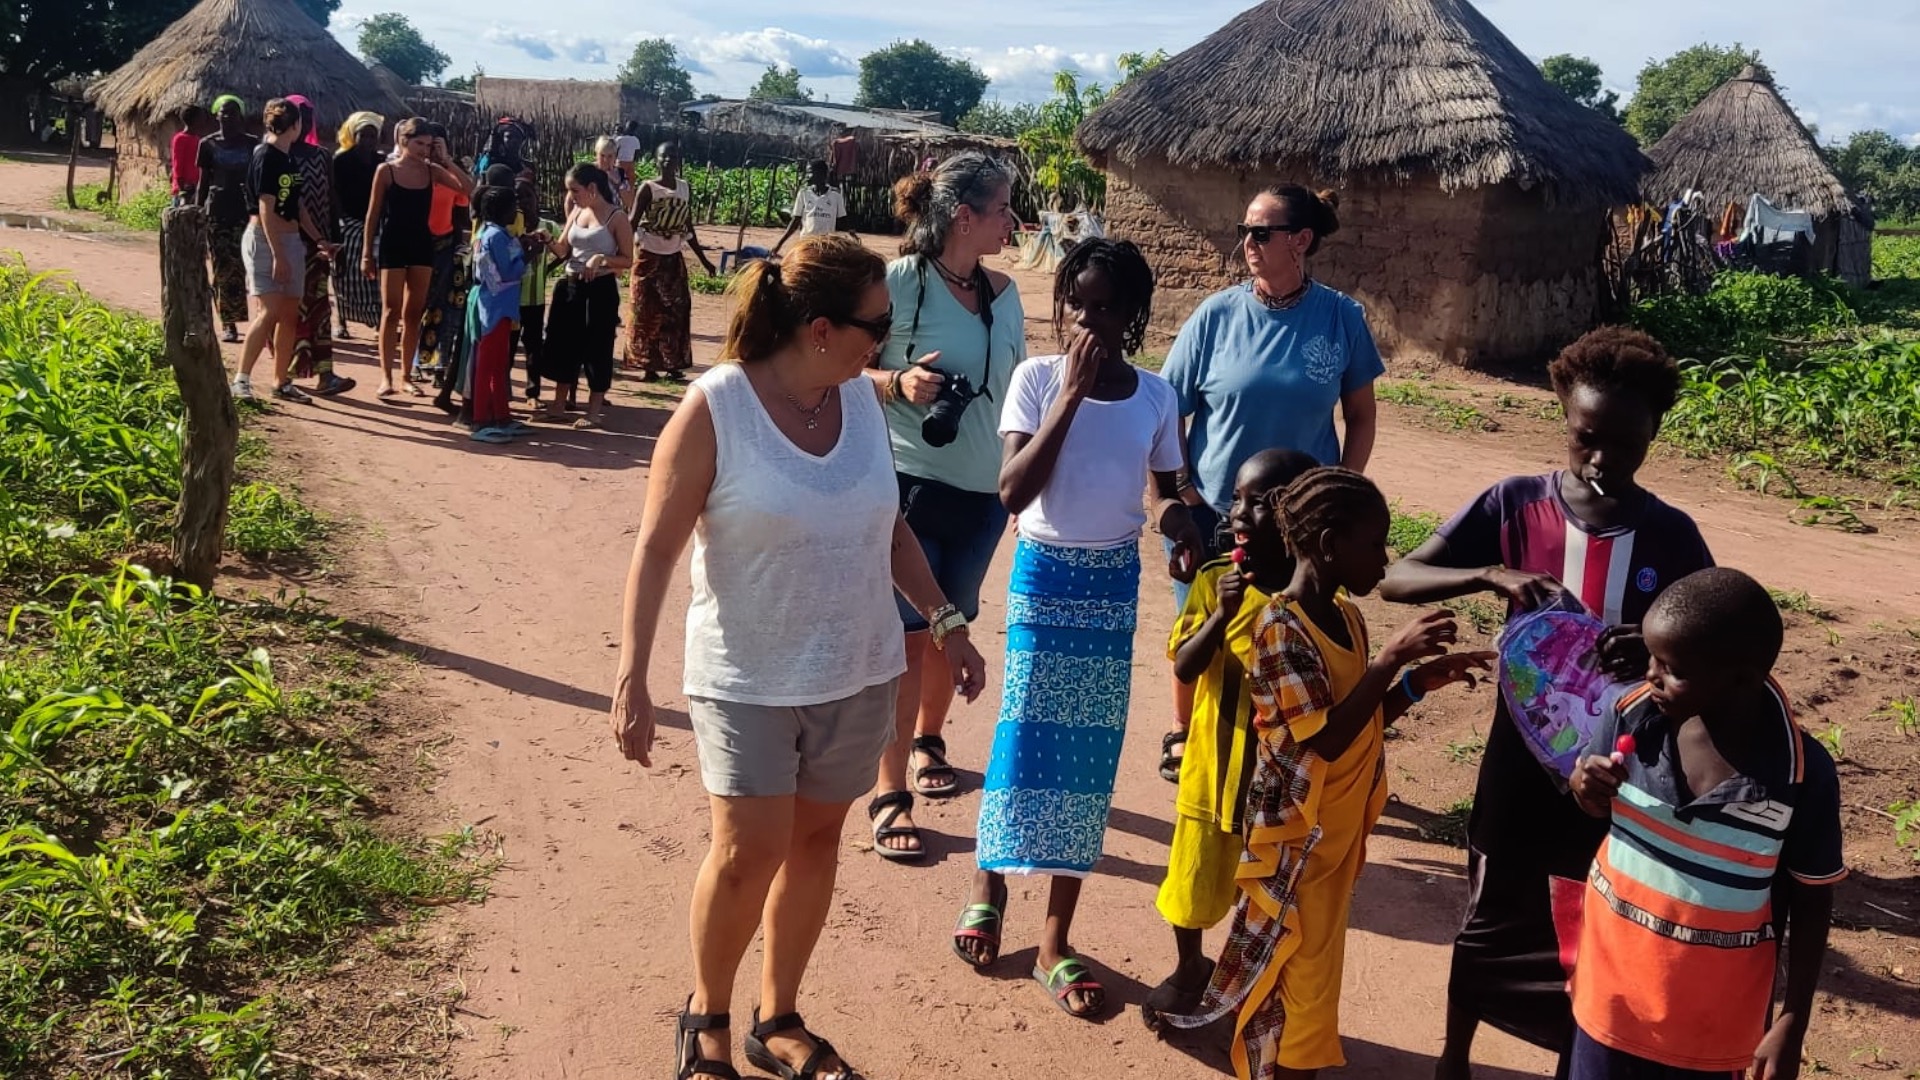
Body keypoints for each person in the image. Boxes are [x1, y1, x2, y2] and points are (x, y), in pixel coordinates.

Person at [609, 234, 989, 1080]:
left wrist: (946, 619)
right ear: (820, 328)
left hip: (855, 665)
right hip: (747, 675)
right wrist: (632, 675)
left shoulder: (858, 403)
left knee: (817, 842)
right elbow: (658, 549)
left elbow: (888, 526)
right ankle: (704, 1016)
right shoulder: (717, 410)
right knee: (748, 851)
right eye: (875, 330)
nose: (885, 350)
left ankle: (775, 1015)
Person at [1379, 326, 1714, 1079]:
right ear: (1564, 420)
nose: (1602, 461)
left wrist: (1654, 648)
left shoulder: (1671, 535)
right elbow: (1398, 577)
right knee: (1491, 906)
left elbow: (1711, 644)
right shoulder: (1514, 505)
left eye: (1625, 445)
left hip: (1621, 769)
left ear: (1653, 434)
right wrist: (1486, 576)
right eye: (1586, 440)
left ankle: (1576, 1056)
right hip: (1520, 754)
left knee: (1595, 917)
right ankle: (1454, 1057)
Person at [1163, 467, 1492, 1078]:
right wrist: (1394, 659)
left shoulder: (1348, 618)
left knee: (1308, 978)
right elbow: (1326, 741)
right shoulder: (1279, 629)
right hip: (1296, 845)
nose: (1385, 558)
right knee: (1300, 982)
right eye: (1374, 543)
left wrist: (1417, 684)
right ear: (1329, 546)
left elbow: (1361, 721)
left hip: (1338, 838)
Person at [946, 239, 1196, 1019]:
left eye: (1105, 306)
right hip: (1045, 577)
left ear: (1134, 315)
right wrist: (1071, 399)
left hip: (1111, 587)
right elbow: (1015, 493)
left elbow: (1162, 492)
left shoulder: (1157, 397)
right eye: (1076, 303)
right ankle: (988, 884)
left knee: (1088, 758)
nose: (1086, 319)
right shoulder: (1036, 381)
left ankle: (1056, 939)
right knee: (1021, 738)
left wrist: (1179, 520)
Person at [1566, 567, 1843, 1080]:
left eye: (1671, 668)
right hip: (1610, 996)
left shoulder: (1801, 774)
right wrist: (1587, 790)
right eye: (1652, 658)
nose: (1650, 675)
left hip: (1714, 1027)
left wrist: (1793, 1018)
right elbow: (1593, 804)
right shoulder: (1630, 717)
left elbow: (1811, 896)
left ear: (1740, 678)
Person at [1155, 185, 1385, 788]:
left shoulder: (1340, 318)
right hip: (1215, 509)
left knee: (1292, 629)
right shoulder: (1215, 315)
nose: (1247, 244)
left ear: (1301, 240)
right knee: (1205, 623)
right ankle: (1186, 735)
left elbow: (1360, 414)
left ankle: (1283, 736)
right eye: (1244, 231)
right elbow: (1165, 411)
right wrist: (1181, 493)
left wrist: (1343, 489)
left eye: (1261, 233)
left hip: (1304, 523)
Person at [860, 152, 1024, 860]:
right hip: (911, 486)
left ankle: (930, 739)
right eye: (1002, 209)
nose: (1013, 221)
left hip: (985, 495)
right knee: (905, 636)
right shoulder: (899, 285)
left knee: (944, 629)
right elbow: (836, 366)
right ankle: (888, 785)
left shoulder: (1007, 293)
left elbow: (1018, 389)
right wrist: (897, 383)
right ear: (965, 217)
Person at [1140, 447, 1317, 1031]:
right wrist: (1221, 615)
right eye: (1236, 499)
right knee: (1190, 883)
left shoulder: (1313, 599)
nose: (1240, 513)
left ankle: (1251, 987)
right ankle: (1190, 966)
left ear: (1296, 514)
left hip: (1274, 787)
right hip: (1211, 773)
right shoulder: (1215, 579)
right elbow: (1186, 665)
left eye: (1259, 502)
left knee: (1264, 896)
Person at [363, 117, 470, 399]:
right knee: (390, 311)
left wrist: (446, 159)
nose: (424, 149)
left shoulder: (432, 171)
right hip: (393, 244)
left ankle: (406, 377)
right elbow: (372, 215)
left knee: (414, 313)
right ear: (403, 141)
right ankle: (386, 377)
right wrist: (366, 254)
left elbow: (468, 190)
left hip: (422, 245)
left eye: (428, 144)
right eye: (418, 143)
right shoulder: (386, 171)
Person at [233, 99, 327, 404]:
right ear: (296, 125)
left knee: (289, 316)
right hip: (265, 240)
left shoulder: (288, 159)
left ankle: (280, 381)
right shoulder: (266, 156)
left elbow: (296, 205)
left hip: (290, 241)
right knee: (269, 312)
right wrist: (278, 255)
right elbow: (265, 207)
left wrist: (318, 239)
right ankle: (241, 380)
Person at [539, 164, 632, 429]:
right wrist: (547, 240)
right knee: (562, 344)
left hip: (600, 290)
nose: (571, 196)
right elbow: (563, 250)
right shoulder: (577, 211)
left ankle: (593, 410)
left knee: (597, 347)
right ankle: (558, 405)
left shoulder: (617, 218)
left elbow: (628, 260)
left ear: (592, 188)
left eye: (575, 190)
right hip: (571, 286)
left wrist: (602, 259)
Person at [627, 142, 716, 380]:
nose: (668, 161)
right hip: (648, 257)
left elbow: (688, 227)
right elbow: (632, 222)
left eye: (673, 157)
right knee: (646, 311)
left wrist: (704, 261)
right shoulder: (648, 188)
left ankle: (673, 364)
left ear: (679, 161)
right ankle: (648, 365)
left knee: (676, 312)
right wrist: (622, 253)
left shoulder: (684, 189)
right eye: (664, 157)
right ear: (656, 159)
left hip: (673, 259)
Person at [283, 95, 352, 397]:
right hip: (288, 244)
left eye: (310, 116)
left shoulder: (321, 155)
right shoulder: (276, 156)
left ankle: (325, 375)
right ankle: (285, 373)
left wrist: (336, 238)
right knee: (290, 310)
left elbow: (332, 199)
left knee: (320, 308)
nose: (307, 122)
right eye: (301, 116)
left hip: (319, 246)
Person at [465, 187, 527, 444]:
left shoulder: (489, 232)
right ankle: (480, 420)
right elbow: (509, 272)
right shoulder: (497, 237)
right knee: (488, 364)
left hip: (495, 305)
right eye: (513, 206)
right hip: (494, 306)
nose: (517, 211)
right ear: (502, 210)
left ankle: (502, 416)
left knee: (499, 365)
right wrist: (529, 256)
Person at [195, 95, 259, 343]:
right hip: (218, 212)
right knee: (223, 268)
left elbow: (257, 180)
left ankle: (257, 323)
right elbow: (203, 182)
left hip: (246, 212)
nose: (228, 116)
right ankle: (229, 324)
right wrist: (197, 212)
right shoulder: (208, 144)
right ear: (216, 115)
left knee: (247, 267)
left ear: (241, 116)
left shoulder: (252, 144)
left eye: (233, 112)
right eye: (224, 112)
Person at [419, 124, 475, 402]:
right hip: (417, 246)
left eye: (436, 144)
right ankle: (416, 364)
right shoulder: (415, 171)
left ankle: (438, 366)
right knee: (418, 307)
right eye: (427, 144)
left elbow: (469, 198)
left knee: (445, 311)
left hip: (446, 247)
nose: (431, 150)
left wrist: (447, 161)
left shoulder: (450, 173)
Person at [331, 111, 384, 340]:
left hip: (374, 222)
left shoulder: (381, 163)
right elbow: (334, 194)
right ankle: (341, 320)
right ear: (355, 135)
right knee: (343, 273)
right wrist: (342, 221)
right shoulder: (341, 160)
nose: (369, 141)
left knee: (376, 274)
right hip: (348, 221)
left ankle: (377, 321)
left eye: (373, 136)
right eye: (364, 135)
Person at [770, 160, 851, 255]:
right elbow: (795, 220)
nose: (807, 176)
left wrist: (851, 234)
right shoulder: (804, 193)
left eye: (810, 172)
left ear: (821, 174)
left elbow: (842, 220)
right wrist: (779, 244)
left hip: (826, 245)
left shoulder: (835, 196)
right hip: (806, 243)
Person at [168, 106, 202, 208]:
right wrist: (181, 186)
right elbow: (177, 163)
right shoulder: (180, 139)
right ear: (194, 120)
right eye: (201, 118)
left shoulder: (197, 139)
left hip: (195, 187)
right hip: (184, 188)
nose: (203, 121)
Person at [593, 136, 634, 212]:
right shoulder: (588, 171)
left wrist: (618, 183)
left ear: (615, 156)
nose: (606, 160)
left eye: (610, 156)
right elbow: (571, 198)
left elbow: (629, 202)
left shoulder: (620, 173)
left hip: (613, 217)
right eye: (602, 155)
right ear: (596, 155)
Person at [613, 120, 643, 189]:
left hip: (627, 163)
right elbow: (637, 154)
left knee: (628, 180)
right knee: (621, 180)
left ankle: (628, 194)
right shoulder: (621, 139)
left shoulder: (633, 140)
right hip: (622, 162)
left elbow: (615, 151)